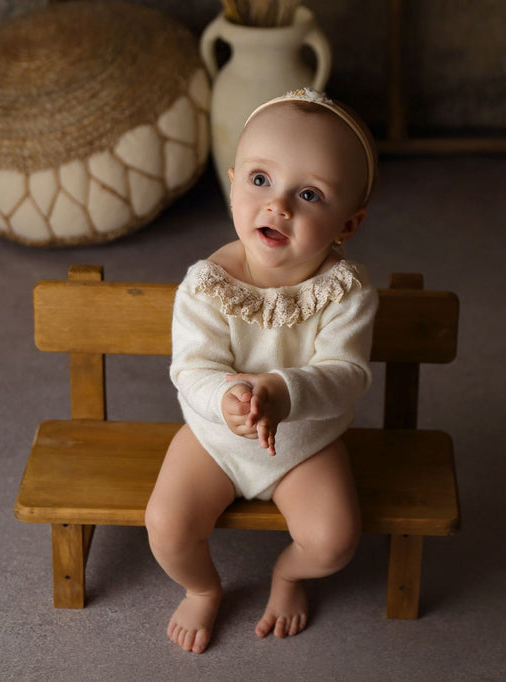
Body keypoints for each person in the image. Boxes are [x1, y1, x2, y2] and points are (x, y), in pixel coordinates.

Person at [144, 89, 379, 654]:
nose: (279, 207)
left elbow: (347, 373)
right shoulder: (207, 283)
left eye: (309, 193)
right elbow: (192, 368)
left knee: (333, 540)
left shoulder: (346, 292)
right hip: (216, 437)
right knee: (167, 526)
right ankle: (203, 588)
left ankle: (289, 575)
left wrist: (283, 390)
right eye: (259, 181)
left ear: (348, 223)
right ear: (230, 183)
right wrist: (229, 397)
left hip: (306, 441)